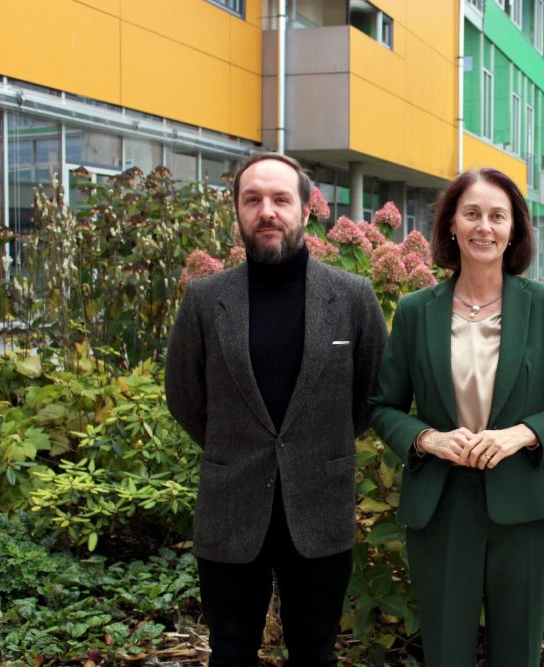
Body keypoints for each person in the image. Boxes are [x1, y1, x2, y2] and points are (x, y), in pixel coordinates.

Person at [165, 152, 388, 666]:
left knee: (315, 654)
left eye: (280, 199)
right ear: (238, 212)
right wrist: (234, 445)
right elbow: (184, 395)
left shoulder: (352, 296)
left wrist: (319, 444)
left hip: (320, 504)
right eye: (253, 200)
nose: (267, 210)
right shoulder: (204, 299)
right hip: (231, 506)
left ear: (306, 211)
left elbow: (372, 393)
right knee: (230, 652)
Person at [369, 167, 544, 666]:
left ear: (514, 229)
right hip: (441, 506)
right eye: (471, 214)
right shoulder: (414, 310)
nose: (483, 227)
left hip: (524, 507)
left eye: (497, 215)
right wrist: (426, 438)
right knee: (446, 652)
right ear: (452, 224)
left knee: (517, 653)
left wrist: (522, 434)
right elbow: (383, 406)